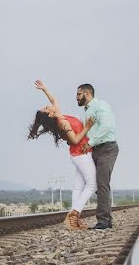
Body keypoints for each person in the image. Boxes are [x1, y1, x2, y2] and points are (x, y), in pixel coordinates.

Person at [27, 80, 96, 230]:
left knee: (78, 186)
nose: (48, 105)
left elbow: (54, 100)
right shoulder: (62, 123)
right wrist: (88, 126)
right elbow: (75, 140)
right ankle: (73, 215)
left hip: (80, 154)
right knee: (92, 185)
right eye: (46, 108)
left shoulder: (58, 115)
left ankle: (74, 221)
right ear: (49, 114)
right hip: (81, 154)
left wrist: (44, 88)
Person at [76, 83, 118, 230]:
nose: (77, 98)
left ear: (87, 94)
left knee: (101, 184)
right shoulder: (88, 111)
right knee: (99, 185)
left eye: (79, 94)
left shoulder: (100, 105)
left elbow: (106, 126)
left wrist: (90, 143)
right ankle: (106, 219)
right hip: (96, 150)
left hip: (107, 148)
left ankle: (103, 222)